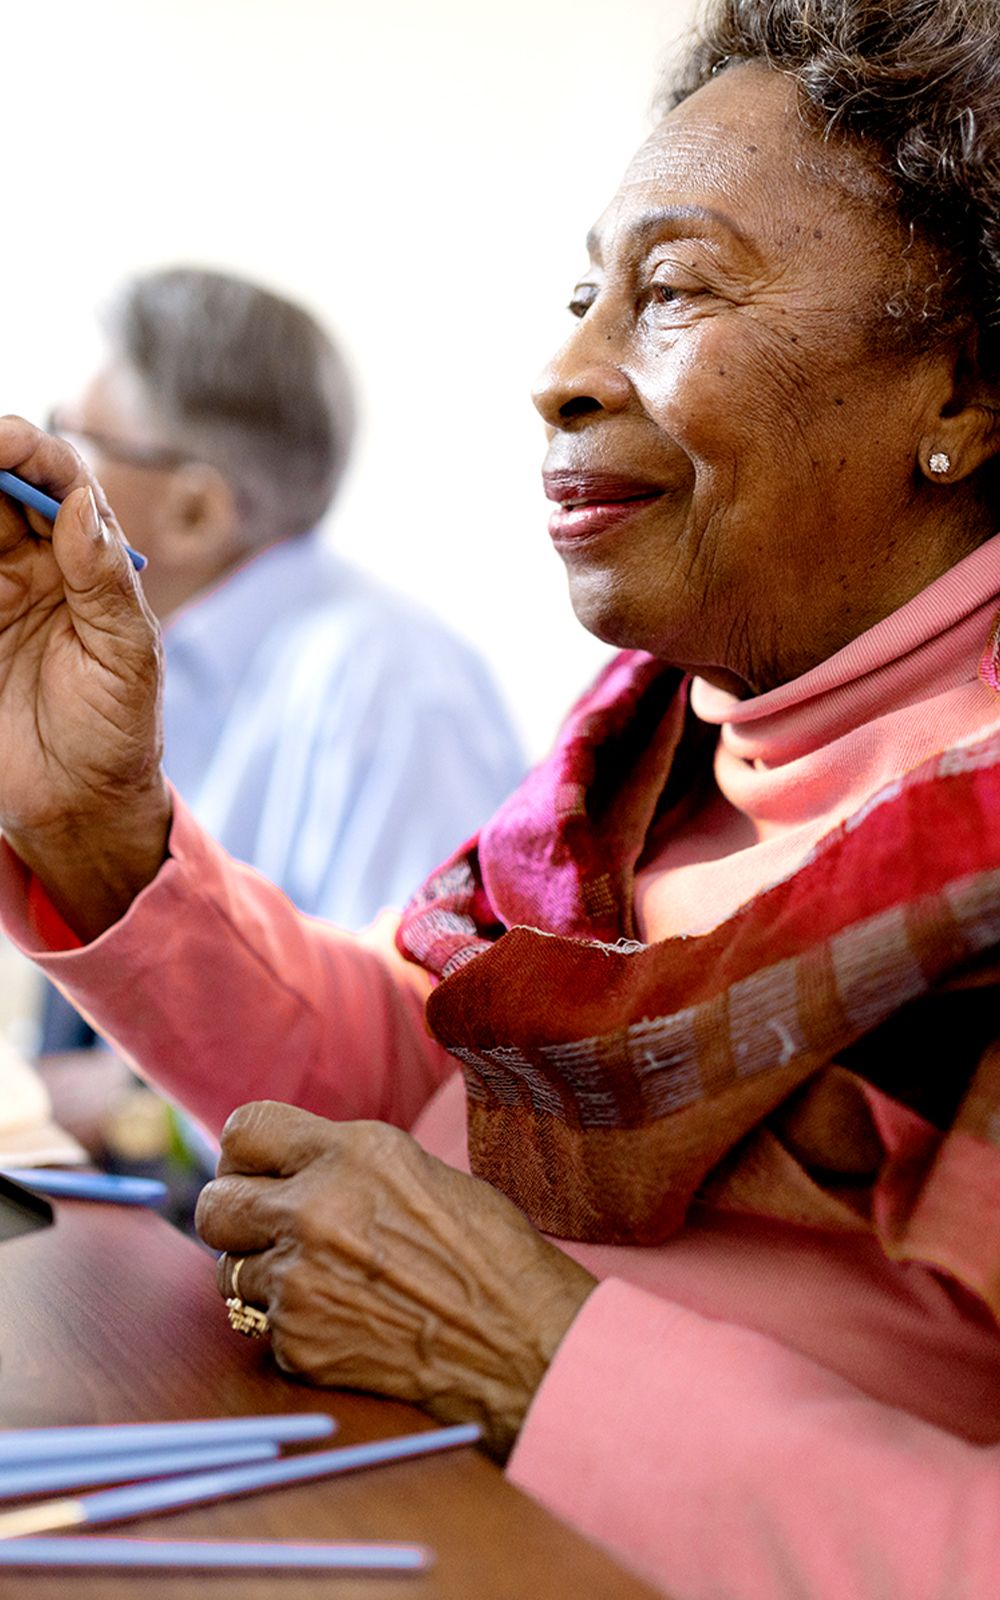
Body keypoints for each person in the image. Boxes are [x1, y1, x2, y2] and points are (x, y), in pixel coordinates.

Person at [0, 1, 998, 1593]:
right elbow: (429, 1082)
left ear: (966, 393)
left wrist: (543, 1355)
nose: (561, 373)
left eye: (671, 289)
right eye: (581, 294)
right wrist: (96, 833)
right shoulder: (641, 755)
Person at [37, 266, 525, 1052]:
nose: (36, 467)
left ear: (195, 513)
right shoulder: (151, 667)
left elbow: (420, 1043)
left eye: (73, 436)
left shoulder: (388, 685)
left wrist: (127, 1108)